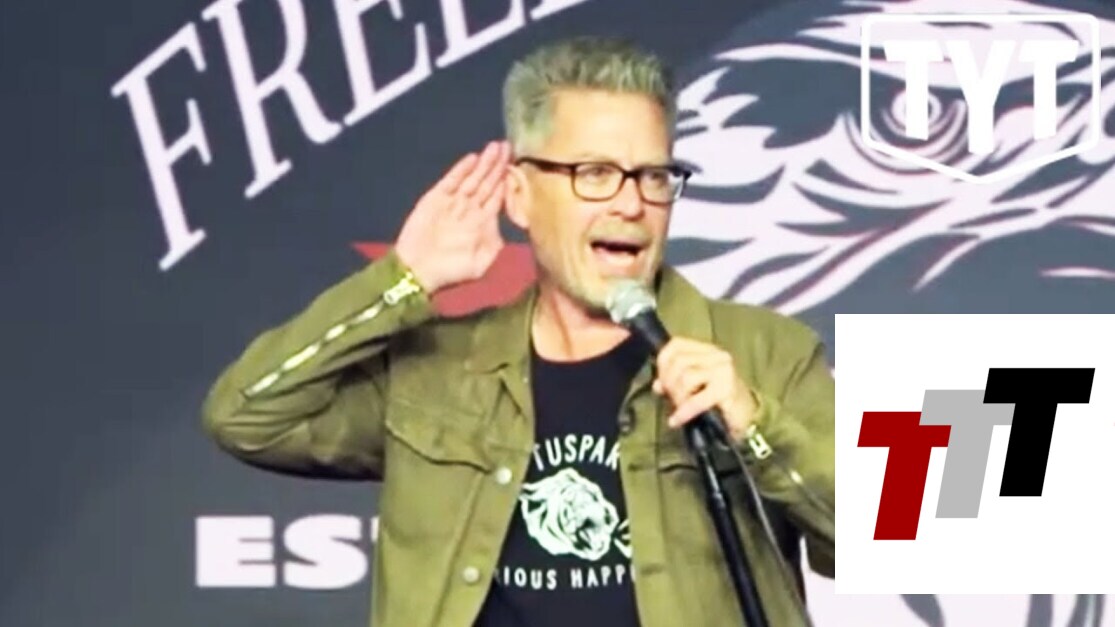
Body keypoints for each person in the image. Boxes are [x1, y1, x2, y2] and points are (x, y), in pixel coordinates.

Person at [201, 35, 835, 627]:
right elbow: (244, 415)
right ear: (519, 195)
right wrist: (402, 282)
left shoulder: (768, 351)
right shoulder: (437, 369)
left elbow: (895, 538)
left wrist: (756, 427)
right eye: (594, 173)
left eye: (653, 176)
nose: (631, 204)